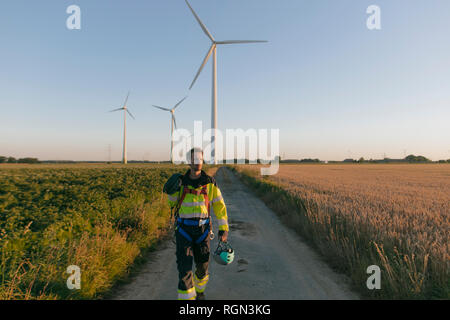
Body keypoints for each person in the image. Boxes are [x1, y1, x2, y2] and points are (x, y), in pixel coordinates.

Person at [168, 147, 229, 300]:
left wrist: (223, 228)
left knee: (202, 267)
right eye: (195, 159)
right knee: (185, 269)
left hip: (203, 231)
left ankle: (200, 290)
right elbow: (172, 204)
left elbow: (219, 206)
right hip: (183, 230)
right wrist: (172, 190)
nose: (198, 162)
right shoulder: (180, 182)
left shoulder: (209, 183)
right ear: (189, 162)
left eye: (200, 159)